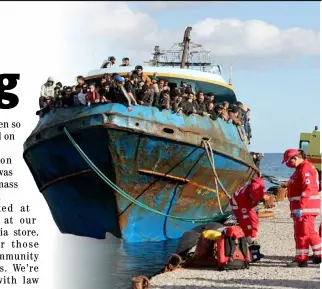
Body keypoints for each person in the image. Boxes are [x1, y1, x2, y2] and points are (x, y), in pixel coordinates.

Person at [281, 148, 321, 267]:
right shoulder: (301, 168)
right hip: (304, 208)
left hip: (305, 209)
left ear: (296, 158)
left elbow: (307, 189)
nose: (288, 164)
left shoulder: (305, 169)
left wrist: (301, 207)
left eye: (289, 161)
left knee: (302, 234)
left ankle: (301, 259)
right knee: (310, 232)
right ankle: (319, 255)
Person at [230, 177, 269, 245]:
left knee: (254, 219)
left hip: (247, 202)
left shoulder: (257, 184)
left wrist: (262, 196)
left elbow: (258, 191)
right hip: (237, 205)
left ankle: (251, 235)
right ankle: (248, 237)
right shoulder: (243, 198)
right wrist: (251, 235)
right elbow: (245, 218)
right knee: (247, 220)